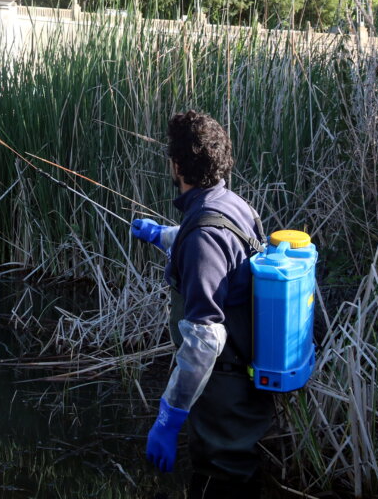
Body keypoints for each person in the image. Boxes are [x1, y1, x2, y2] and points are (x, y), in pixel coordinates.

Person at [130, 109, 273, 498]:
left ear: (177, 165)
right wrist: (162, 235)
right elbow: (219, 244)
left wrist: (169, 417)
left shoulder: (203, 237)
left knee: (222, 480)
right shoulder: (232, 202)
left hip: (224, 389)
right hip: (242, 374)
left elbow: (205, 341)